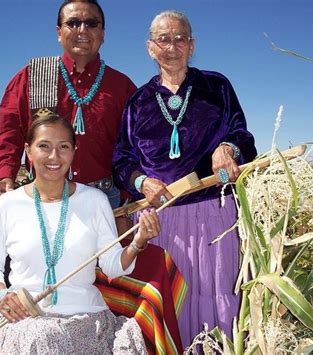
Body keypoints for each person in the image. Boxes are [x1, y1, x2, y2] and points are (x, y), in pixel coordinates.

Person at [112, 10, 257, 348]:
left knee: (218, 296)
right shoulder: (138, 102)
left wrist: (227, 148)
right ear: (150, 47)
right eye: (163, 39)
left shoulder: (216, 86)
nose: (172, 46)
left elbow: (242, 134)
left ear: (192, 45)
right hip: (158, 221)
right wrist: (141, 182)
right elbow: (122, 159)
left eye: (180, 38)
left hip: (214, 214)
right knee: (167, 301)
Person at [0, 114, 160, 353]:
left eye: (63, 147)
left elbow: (112, 266)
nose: (54, 156)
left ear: (74, 151)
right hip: (24, 323)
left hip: (86, 322)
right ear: (28, 151)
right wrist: (1, 294)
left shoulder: (95, 201)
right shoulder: (7, 205)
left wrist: (138, 241)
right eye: (44, 146)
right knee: (39, 337)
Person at [0, 0, 136, 213]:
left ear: (102, 33)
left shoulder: (122, 86)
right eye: (73, 23)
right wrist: (5, 176)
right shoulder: (33, 76)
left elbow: (135, 146)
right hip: (44, 199)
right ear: (59, 32)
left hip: (106, 203)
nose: (82, 30)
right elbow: (9, 133)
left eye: (92, 23)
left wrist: (126, 201)